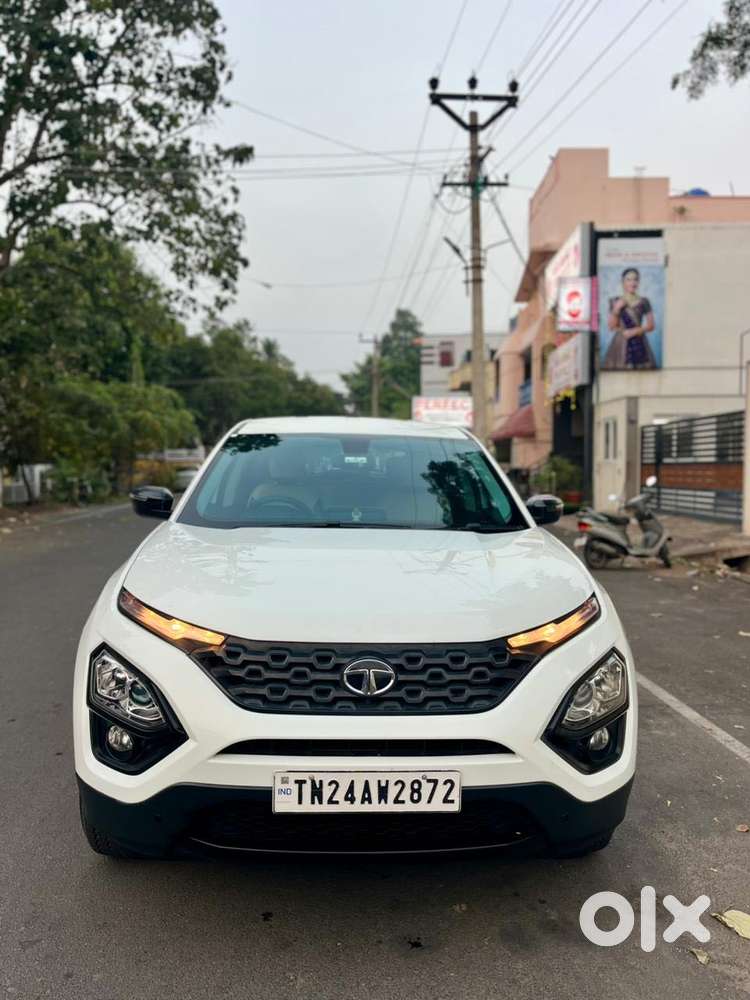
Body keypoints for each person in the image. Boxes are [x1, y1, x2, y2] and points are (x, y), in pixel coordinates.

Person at [602, 267, 656, 369]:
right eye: (629, 279)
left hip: (640, 341)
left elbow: (651, 325)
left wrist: (635, 331)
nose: (632, 283)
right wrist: (616, 309)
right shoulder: (615, 301)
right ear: (623, 282)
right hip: (621, 342)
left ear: (638, 282)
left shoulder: (644, 301)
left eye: (635, 279)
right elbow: (612, 326)